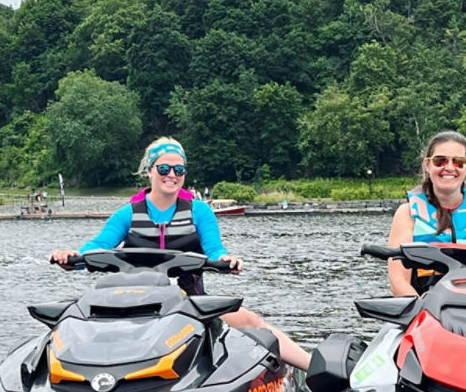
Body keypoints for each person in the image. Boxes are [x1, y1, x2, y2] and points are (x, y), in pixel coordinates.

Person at [49, 137, 311, 369]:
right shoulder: (127, 214)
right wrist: (72, 258)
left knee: (251, 322)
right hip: (132, 306)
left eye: (179, 169)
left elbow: (215, 251)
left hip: (191, 302)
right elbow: (96, 247)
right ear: (150, 171)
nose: (171, 174)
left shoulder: (200, 211)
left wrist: (227, 261)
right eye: (163, 168)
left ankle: (316, 372)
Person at [385, 130, 466, 296]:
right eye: (440, 161)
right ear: (427, 165)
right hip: (428, 308)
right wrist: (425, 313)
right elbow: (398, 281)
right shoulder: (407, 214)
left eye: (458, 162)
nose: (449, 168)